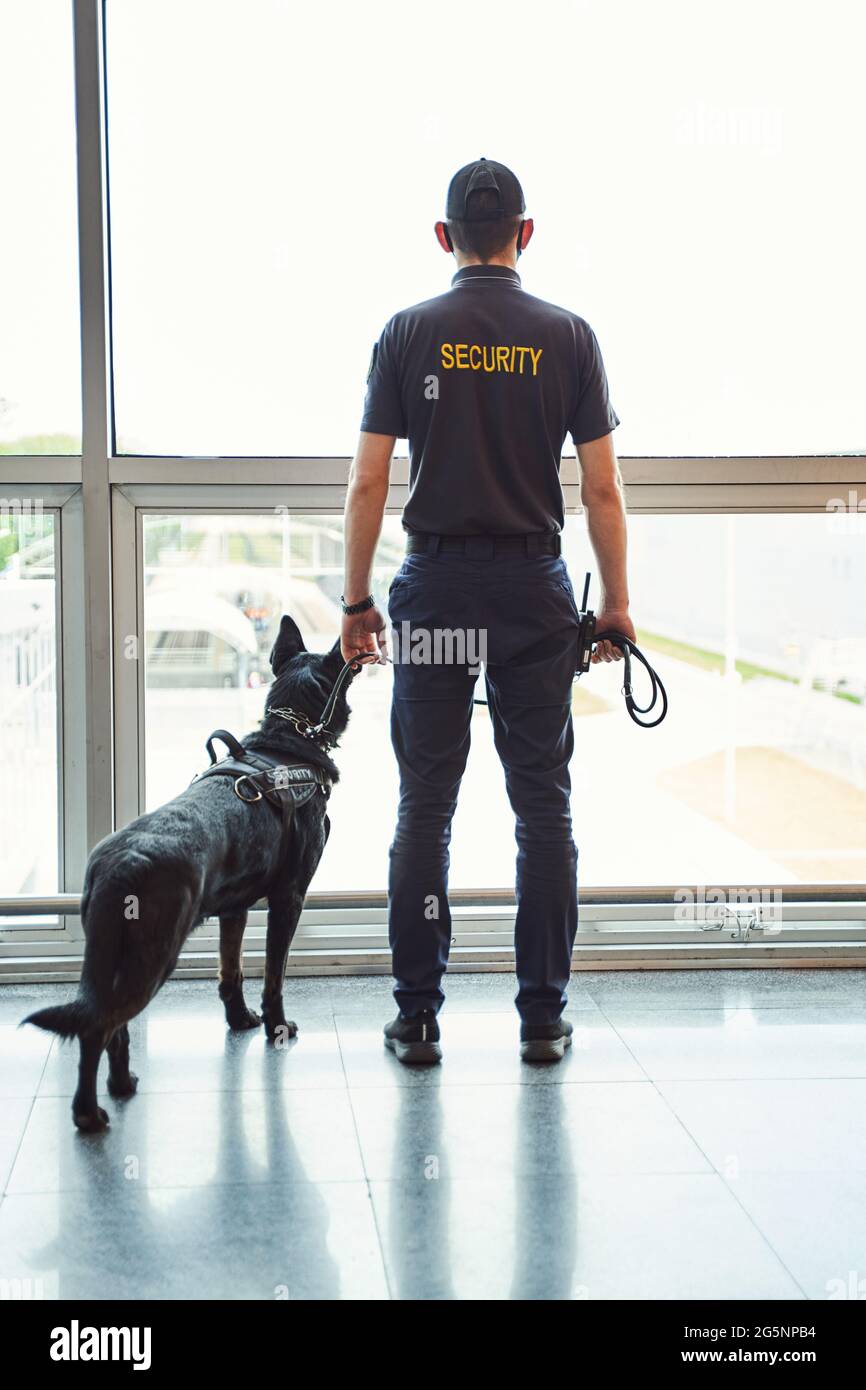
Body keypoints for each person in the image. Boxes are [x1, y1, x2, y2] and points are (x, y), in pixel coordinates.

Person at [340, 157, 633, 1064]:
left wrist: (355, 602)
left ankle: (418, 1016)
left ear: (444, 239)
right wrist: (616, 604)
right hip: (532, 593)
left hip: (438, 590)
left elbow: (368, 481)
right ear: (525, 234)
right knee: (542, 806)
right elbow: (603, 492)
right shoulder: (569, 336)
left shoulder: (407, 333)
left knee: (426, 805)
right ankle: (542, 1018)